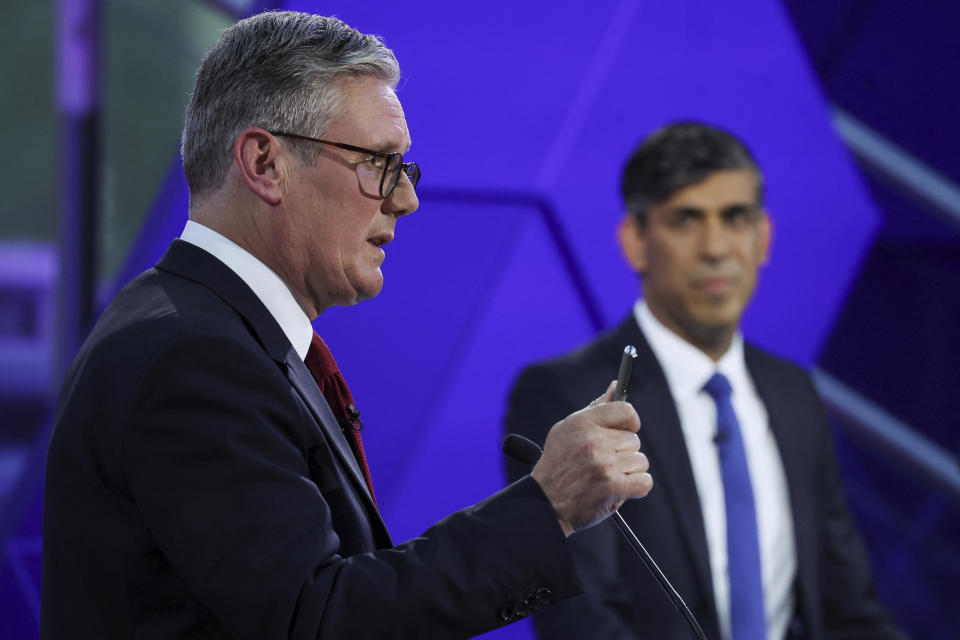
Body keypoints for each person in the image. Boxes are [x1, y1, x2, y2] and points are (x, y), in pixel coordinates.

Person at [41, 11, 653, 640]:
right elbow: (319, 619)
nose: (405, 199)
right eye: (378, 162)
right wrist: (545, 507)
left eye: (403, 168)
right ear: (264, 162)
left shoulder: (205, 330)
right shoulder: (192, 357)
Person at [504, 122, 907, 640]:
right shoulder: (565, 396)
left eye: (735, 218)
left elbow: (849, 608)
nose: (716, 247)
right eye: (686, 220)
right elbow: (580, 618)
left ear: (763, 237)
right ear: (636, 242)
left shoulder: (793, 393)